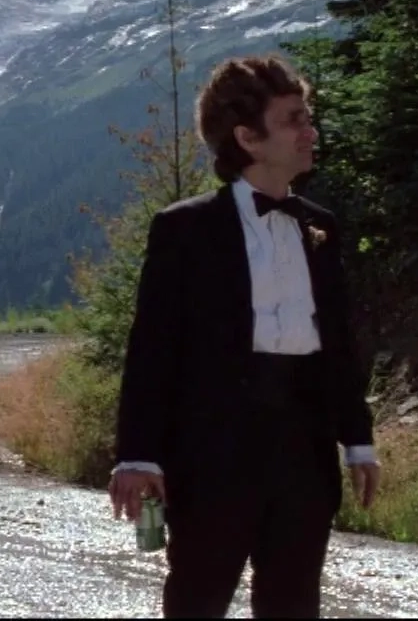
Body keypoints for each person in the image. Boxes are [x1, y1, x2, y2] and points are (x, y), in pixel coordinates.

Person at [107, 54, 380, 618]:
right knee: (198, 601)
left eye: (309, 117)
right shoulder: (184, 229)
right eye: (293, 120)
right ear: (247, 138)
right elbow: (153, 348)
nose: (311, 132)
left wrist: (358, 439)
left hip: (303, 448)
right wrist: (138, 455)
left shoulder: (320, 225)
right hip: (214, 452)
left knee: (294, 604)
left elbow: (338, 341)